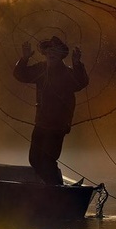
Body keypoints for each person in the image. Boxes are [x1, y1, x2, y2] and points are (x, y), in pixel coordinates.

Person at [13, 36, 89, 185]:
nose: (51, 53)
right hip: (41, 122)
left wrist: (77, 63)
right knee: (34, 159)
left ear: (61, 55)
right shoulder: (40, 69)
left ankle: (56, 189)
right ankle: (54, 187)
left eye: (55, 51)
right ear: (45, 53)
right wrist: (25, 58)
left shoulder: (67, 73)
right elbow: (20, 75)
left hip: (58, 125)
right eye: (49, 50)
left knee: (48, 159)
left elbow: (81, 83)